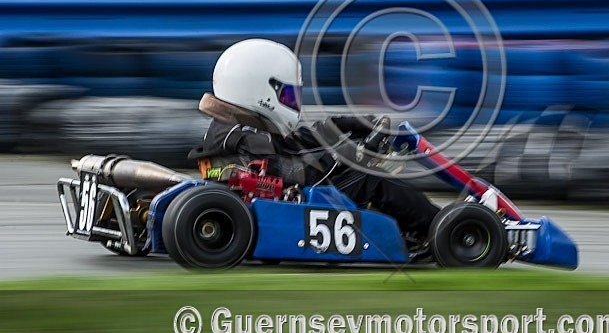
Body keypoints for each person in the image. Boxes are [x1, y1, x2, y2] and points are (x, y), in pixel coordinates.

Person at [188, 38, 440, 245]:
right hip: (284, 203)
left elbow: (294, 143)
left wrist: (349, 125)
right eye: (287, 94)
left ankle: (411, 229)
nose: (292, 101)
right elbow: (299, 174)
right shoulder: (243, 133)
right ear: (259, 90)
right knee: (372, 179)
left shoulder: (236, 125)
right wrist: (352, 154)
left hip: (267, 197)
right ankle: (438, 228)